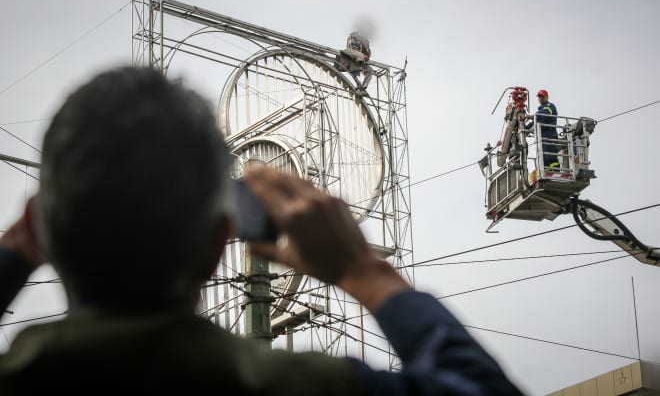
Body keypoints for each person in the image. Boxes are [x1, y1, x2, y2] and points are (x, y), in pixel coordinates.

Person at [0, 67, 522, 394]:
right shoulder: (303, 386)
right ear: (219, 242)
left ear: (37, 228)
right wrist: (365, 273)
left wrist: (11, 256)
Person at [527, 89, 559, 168]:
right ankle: (546, 170)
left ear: (547, 97)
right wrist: (524, 128)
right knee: (543, 157)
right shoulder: (540, 111)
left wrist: (533, 116)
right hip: (542, 136)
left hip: (550, 135)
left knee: (550, 156)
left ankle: (555, 170)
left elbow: (546, 113)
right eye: (539, 97)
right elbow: (533, 123)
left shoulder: (550, 106)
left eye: (542, 96)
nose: (540, 98)